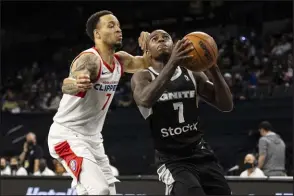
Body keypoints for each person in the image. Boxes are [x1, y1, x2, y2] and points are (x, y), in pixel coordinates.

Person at [48, 10, 149, 195]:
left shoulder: (121, 60)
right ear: (97, 34)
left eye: (118, 26)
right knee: (100, 190)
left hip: (93, 139)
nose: (118, 29)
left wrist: (150, 46)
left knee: (108, 191)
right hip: (67, 135)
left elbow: (145, 62)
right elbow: (67, 84)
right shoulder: (90, 59)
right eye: (111, 26)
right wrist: (77, 82)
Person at [131, 30, 233, 196]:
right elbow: (144, 99)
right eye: (155, 39)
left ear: (173, 45)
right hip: (172, 160)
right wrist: (173, 62)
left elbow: (226, 105)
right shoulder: (143, 76)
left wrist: (212, 67)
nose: (161, 41)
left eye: (166, 38)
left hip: (201, 152)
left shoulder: (192, 73)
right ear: (147, 51)